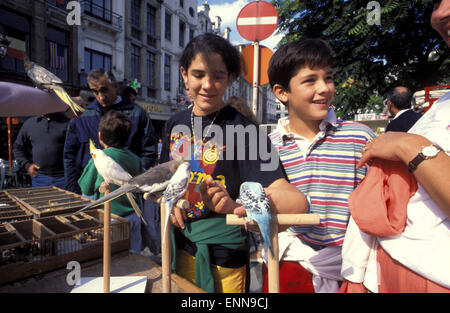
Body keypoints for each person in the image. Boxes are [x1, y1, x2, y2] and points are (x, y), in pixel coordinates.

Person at [159, 33, 309, 293]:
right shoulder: (175, 123)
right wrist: (172, 203)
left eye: (217, 76)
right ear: (184, 74)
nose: (207, 85)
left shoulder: (246, 131)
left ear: (229, 78)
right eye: (198, 75)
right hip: (180, 246)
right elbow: (164, 181)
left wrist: (239, 205)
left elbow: (290, 196)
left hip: (225, 255)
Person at [340, 0, 450, 293]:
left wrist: (408, 146)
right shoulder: (439, 106)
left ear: (389, 105)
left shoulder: (396, 135)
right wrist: (356, 273)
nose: (440, 14)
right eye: (436, 2)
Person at [265, 38, 376, 293]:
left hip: (351, 272)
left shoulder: (359, 138)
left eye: (328, 78)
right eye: (310, 80)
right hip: (286, 265)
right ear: (282, 92)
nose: (324, 88)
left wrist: (359, 273)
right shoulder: (267, 147)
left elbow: (373, 210)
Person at [64, 68, 157, 195]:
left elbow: (149, 150)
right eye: (95, 92)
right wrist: (74, 190)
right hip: (90, 192)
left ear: (115, 86)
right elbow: (70, 155)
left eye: (104, 89)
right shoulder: (82, 116)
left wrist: (135, 178)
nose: (100, 96)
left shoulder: (137, 113)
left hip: (127, 192)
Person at [78, 110, 144, 254]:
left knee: (113, 261)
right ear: (128, 137)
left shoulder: (99, 158)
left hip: (111, 219)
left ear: (100, 135)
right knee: (135, 259)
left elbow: (85, 188)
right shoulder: (135, 159)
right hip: (133, 217)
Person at [13, 111, 70, 189]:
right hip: (40, 178)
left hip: (64, 178)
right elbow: (18, 148)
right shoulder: (30, 123)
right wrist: (27, 165)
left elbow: (78, 148)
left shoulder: (67, 122)